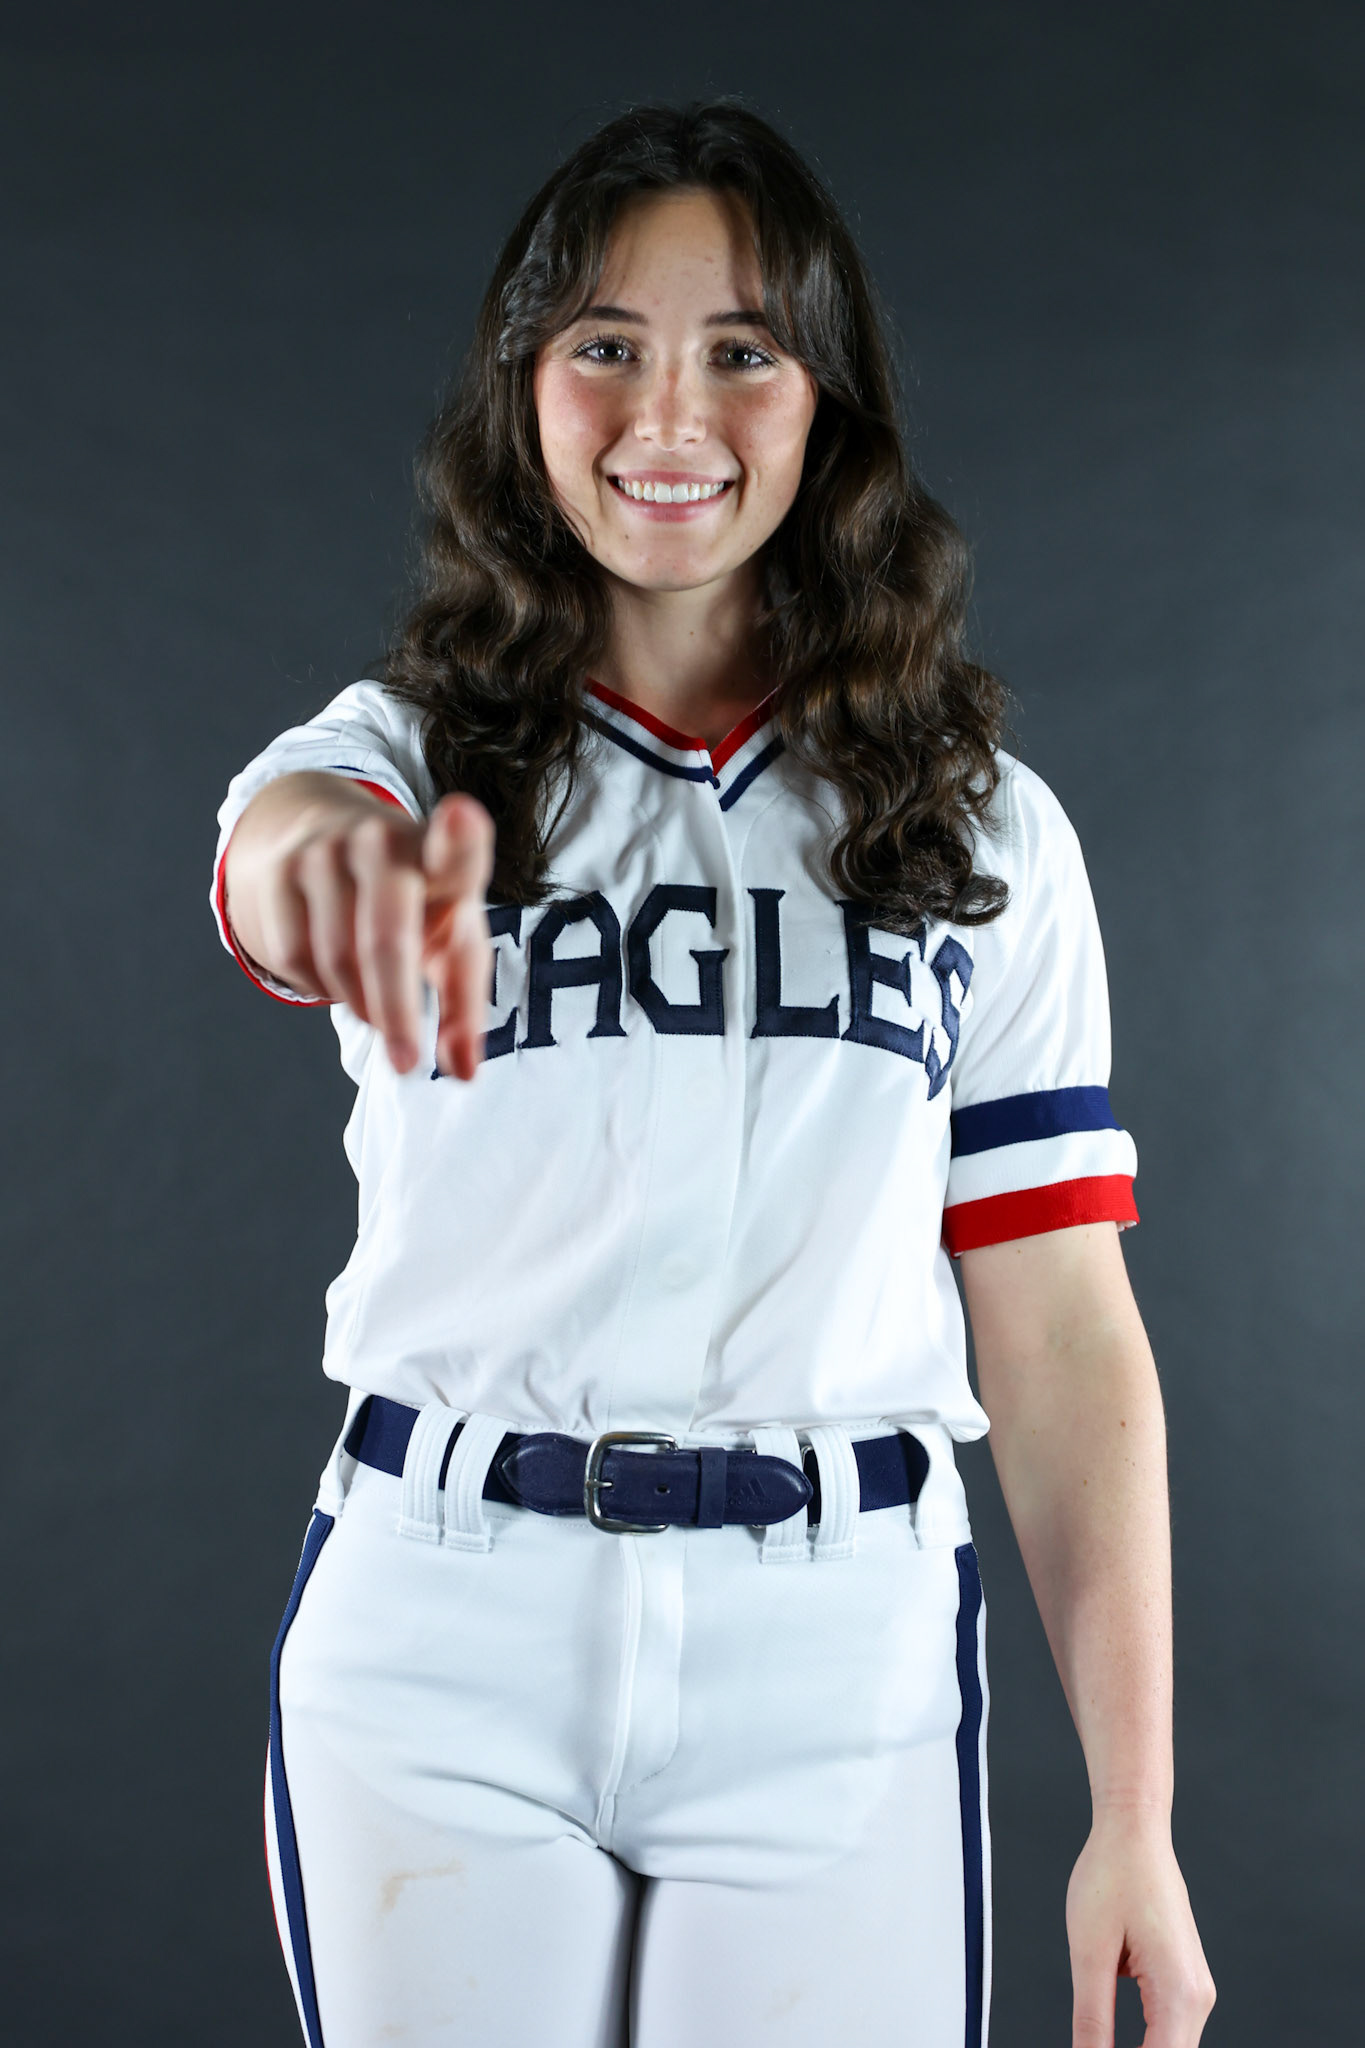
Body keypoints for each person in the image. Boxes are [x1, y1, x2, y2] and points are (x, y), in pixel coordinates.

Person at [212, 99, 1215, 2048]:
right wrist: (325, 876)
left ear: (826, 404)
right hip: (446, 1614)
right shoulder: (405, 757)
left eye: (742, 351)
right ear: (523, 389)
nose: (667, 412)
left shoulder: (980, 825)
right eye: (604, 343)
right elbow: (282, 851)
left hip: (830, 1637)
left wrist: (1135, 1820)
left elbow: (1060, 1328)